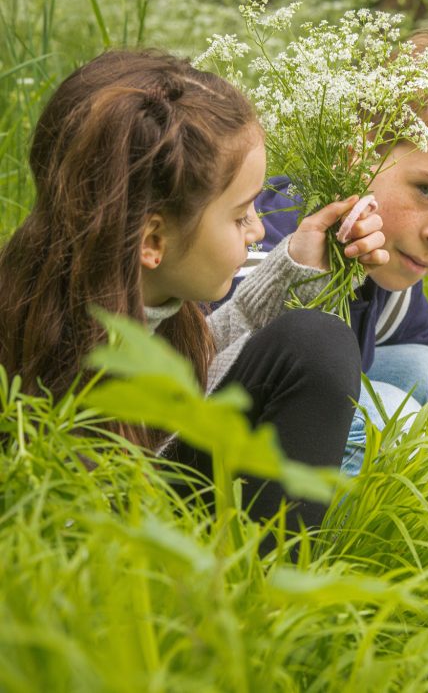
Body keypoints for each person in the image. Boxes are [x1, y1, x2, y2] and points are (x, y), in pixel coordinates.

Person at [0, 49, 388, 545]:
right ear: (152, 241)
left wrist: (295, 268)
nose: (257, 230)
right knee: (317, 348)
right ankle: (256, 604)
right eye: (240, 213)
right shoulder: (61, 365)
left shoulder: (113, 301)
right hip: (107, 560)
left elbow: (194, 373)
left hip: (142, 509)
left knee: (317, 349)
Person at [241, 31, 428, 489]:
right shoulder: (260, 237)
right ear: (359, 152)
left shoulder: (390, 277)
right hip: (219, 447)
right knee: (392, 415)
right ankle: (335, 545)